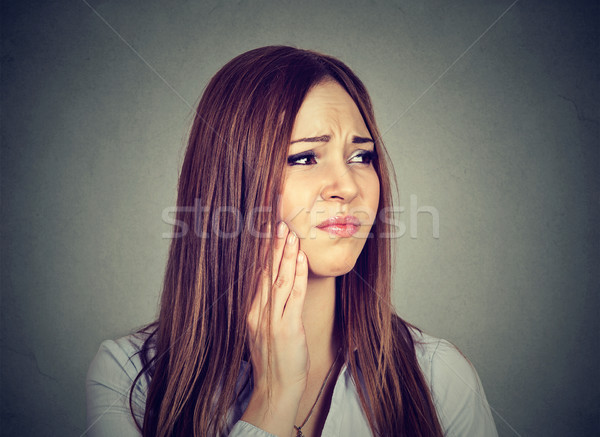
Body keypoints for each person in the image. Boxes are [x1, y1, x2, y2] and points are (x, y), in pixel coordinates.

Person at [86, 45, 498, 437]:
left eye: (362, 156)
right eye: (304, 158)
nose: (348, 187)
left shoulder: (440, 377)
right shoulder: (129, 379)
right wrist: (273, 397)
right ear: (233, 183)